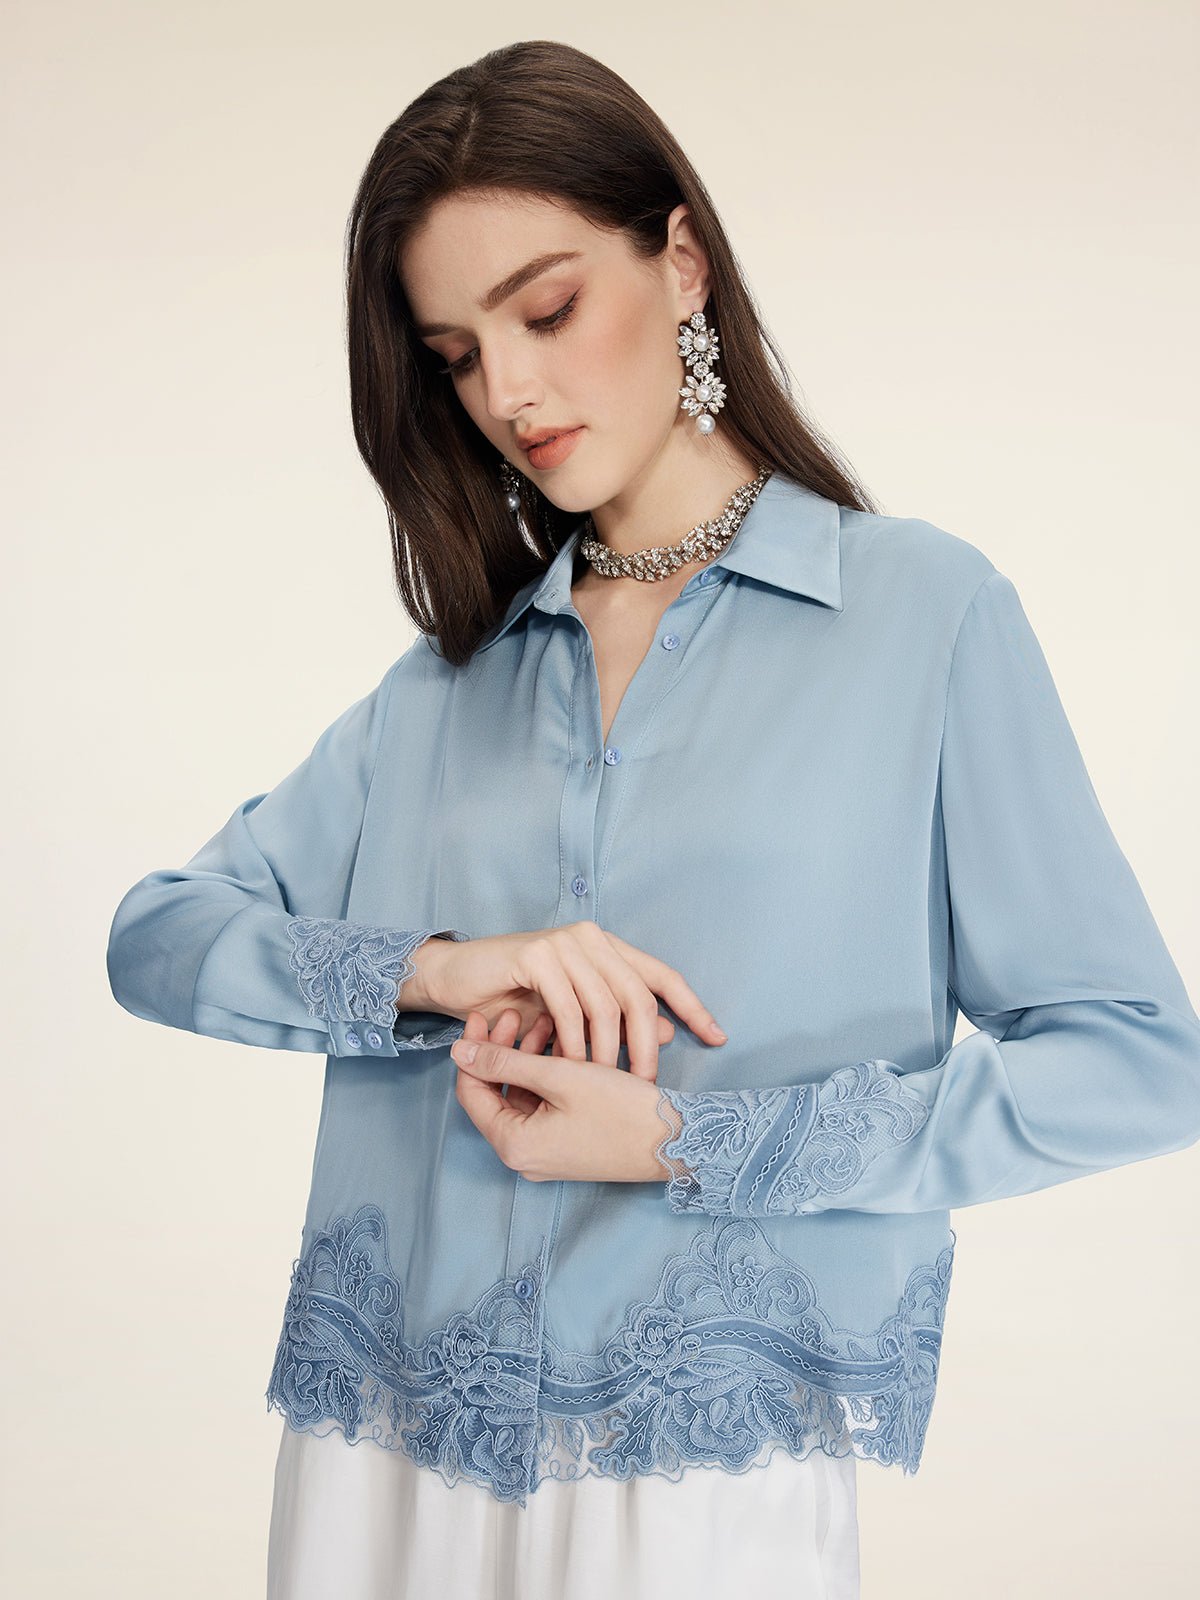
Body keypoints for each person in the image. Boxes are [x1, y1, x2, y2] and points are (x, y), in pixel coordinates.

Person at [106, 39, 1200, 1600]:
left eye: (546, 310)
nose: (509, 393)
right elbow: (156, 935)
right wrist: (441, 968)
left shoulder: (923, 620)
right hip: (383, 1477)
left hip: (695, 1488)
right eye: (456, 354)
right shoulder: (451, 683)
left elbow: (1140, 1061)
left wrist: (695, 1144)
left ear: (680, 260)